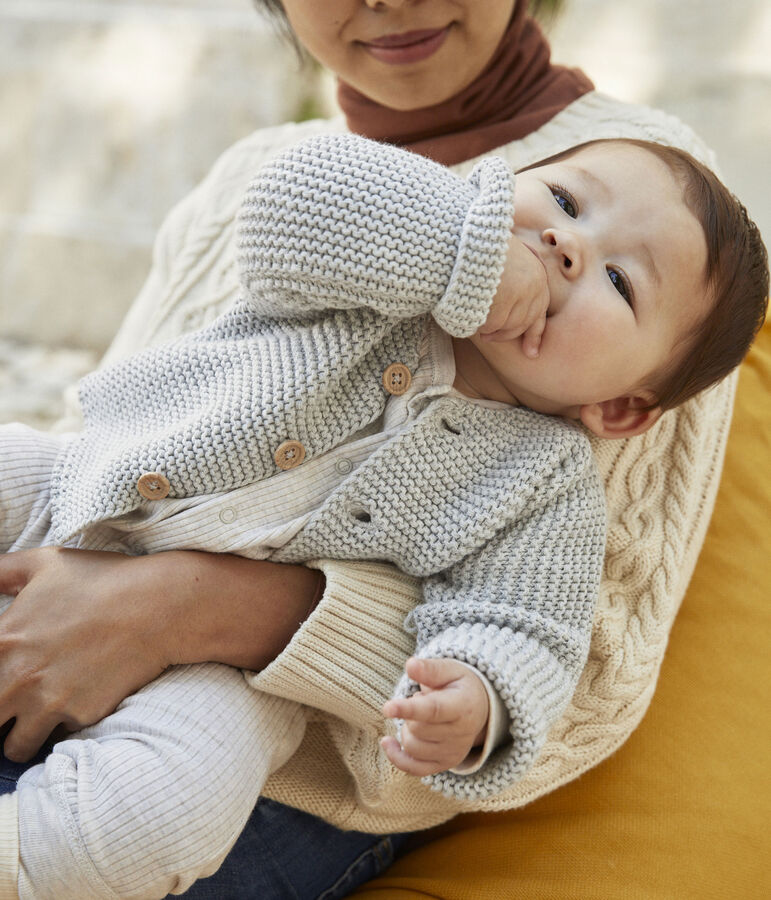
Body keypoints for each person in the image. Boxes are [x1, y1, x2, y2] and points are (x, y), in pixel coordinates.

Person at [0, 1, 757, 897]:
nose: (562, 244)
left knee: (144, 822)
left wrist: (471, 701)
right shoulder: (275, 176)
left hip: (246, 731)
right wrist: (469, 254)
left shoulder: (656, 195)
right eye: (557, 204)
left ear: (625, 410)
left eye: (616, 280)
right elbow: (294, 208)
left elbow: (550, 651)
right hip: (77, 506)